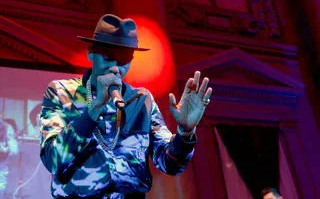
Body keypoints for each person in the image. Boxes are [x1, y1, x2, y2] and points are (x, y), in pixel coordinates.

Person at [39, 14, 212, 199]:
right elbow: (53, 159)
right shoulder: (61, 92)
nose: (115, 68)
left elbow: (170, 163)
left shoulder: (141, 100)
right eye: (108, 58)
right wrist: (94, 109)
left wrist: (185, 133)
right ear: (91, 52)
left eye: (124, 61)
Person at [0, 112, 19, 198]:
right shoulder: (7, 128)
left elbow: (14, 150)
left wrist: (6, 149)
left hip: (2, 162)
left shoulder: (7, 128)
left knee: (1, 183)